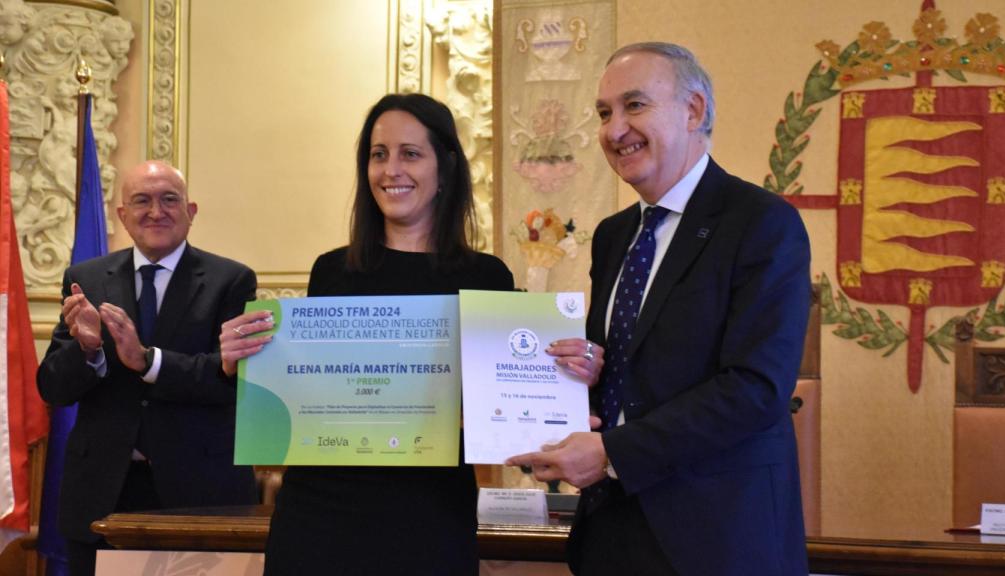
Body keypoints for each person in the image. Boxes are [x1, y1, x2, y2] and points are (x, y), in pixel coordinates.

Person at [507, 42, 811, 575]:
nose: (614, 129)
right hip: (611, 535)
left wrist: (613, 453)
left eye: (635, 106)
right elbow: (635, 368)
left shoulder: (761, 223)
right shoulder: (613, 235)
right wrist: (589, 372)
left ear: (693, 110)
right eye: (604, 113)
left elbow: (756, 388)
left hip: (717, 540)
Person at [220, 93, 514, 575]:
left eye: (410, 154)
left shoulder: (487, 278)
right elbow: (310, 391)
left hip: (427, 516)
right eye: (379, 155)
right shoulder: (331, 271)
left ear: (446, 167)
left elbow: (502, 408)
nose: (390, 170)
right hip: (320, 512)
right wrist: (243, 364)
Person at [37, 160, 258, 576]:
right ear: (123, 215)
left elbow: (231, 380)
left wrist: (147, 360)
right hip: (103, 492)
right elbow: (53, 388)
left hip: (200, 491)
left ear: (191, 211)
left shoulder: (232, 280)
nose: (156, 211)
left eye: (168, 199)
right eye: (141, 200)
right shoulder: (85, 279)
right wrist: (86, 350)